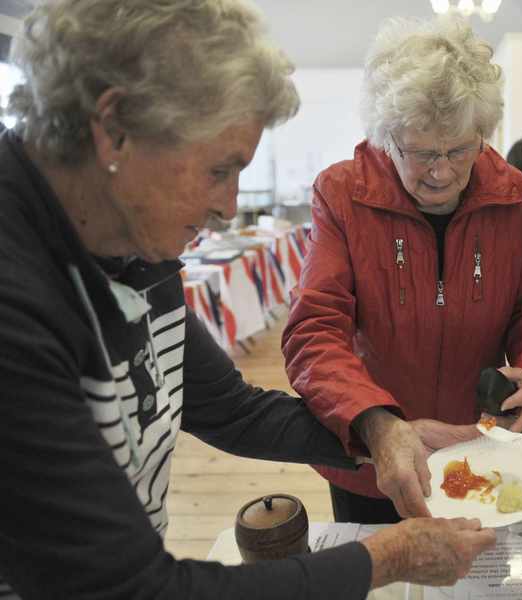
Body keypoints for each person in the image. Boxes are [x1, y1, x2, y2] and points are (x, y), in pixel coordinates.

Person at [0, 1, 496, 598]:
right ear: (114, 130)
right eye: (219, 170)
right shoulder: (18, 304)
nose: (229, 206)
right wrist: (385, 558)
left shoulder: (131, 249)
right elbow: (132, 589)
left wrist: (387, 434)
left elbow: (233, 411)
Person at [282, 15, 522, 524]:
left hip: (476, 448)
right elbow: (314, 330)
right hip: (372, 454)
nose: (443, 171)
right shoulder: (342, 193)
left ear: (483, 134)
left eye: (460, 149)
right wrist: (374, 422)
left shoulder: (516, 195)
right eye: (422, 153)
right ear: (388, 138)